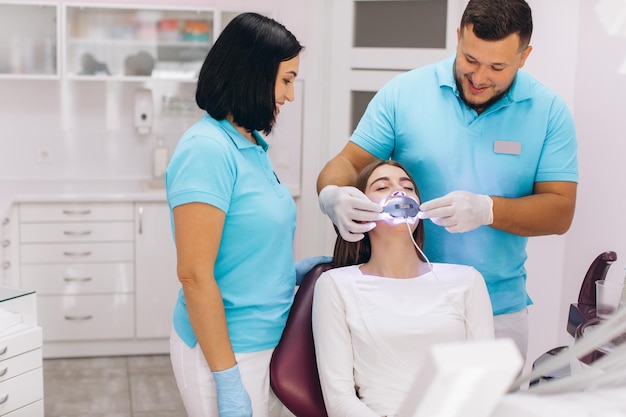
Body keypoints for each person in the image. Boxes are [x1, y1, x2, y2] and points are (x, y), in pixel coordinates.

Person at [316, 0, 578, 360]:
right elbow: (347, 162)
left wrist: (488, 210)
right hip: (404, 301)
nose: (480, 77)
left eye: (497, 66)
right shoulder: (404, 94)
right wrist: (332, 194)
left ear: (524, 56)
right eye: (470, 59)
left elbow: (560, 211)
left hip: (497, 309)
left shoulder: (550, 113)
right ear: (458, 38)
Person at [165, 12, 303, 417]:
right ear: (253, 75)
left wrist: (294, 272)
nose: (290, 95)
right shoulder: (206, 150)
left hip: (268, 343)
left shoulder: (252, 144)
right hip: (225, 352)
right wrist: (227, 380)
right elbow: (194, 274)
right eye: (286, 80)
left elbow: (243, 245)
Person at [312, 159, 495, 417]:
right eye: (381, 186)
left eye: (408, 187)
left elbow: (484, 384)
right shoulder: (336, 285)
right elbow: (339, 399)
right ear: (358, 209)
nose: (399, 192)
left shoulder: (467, 281)